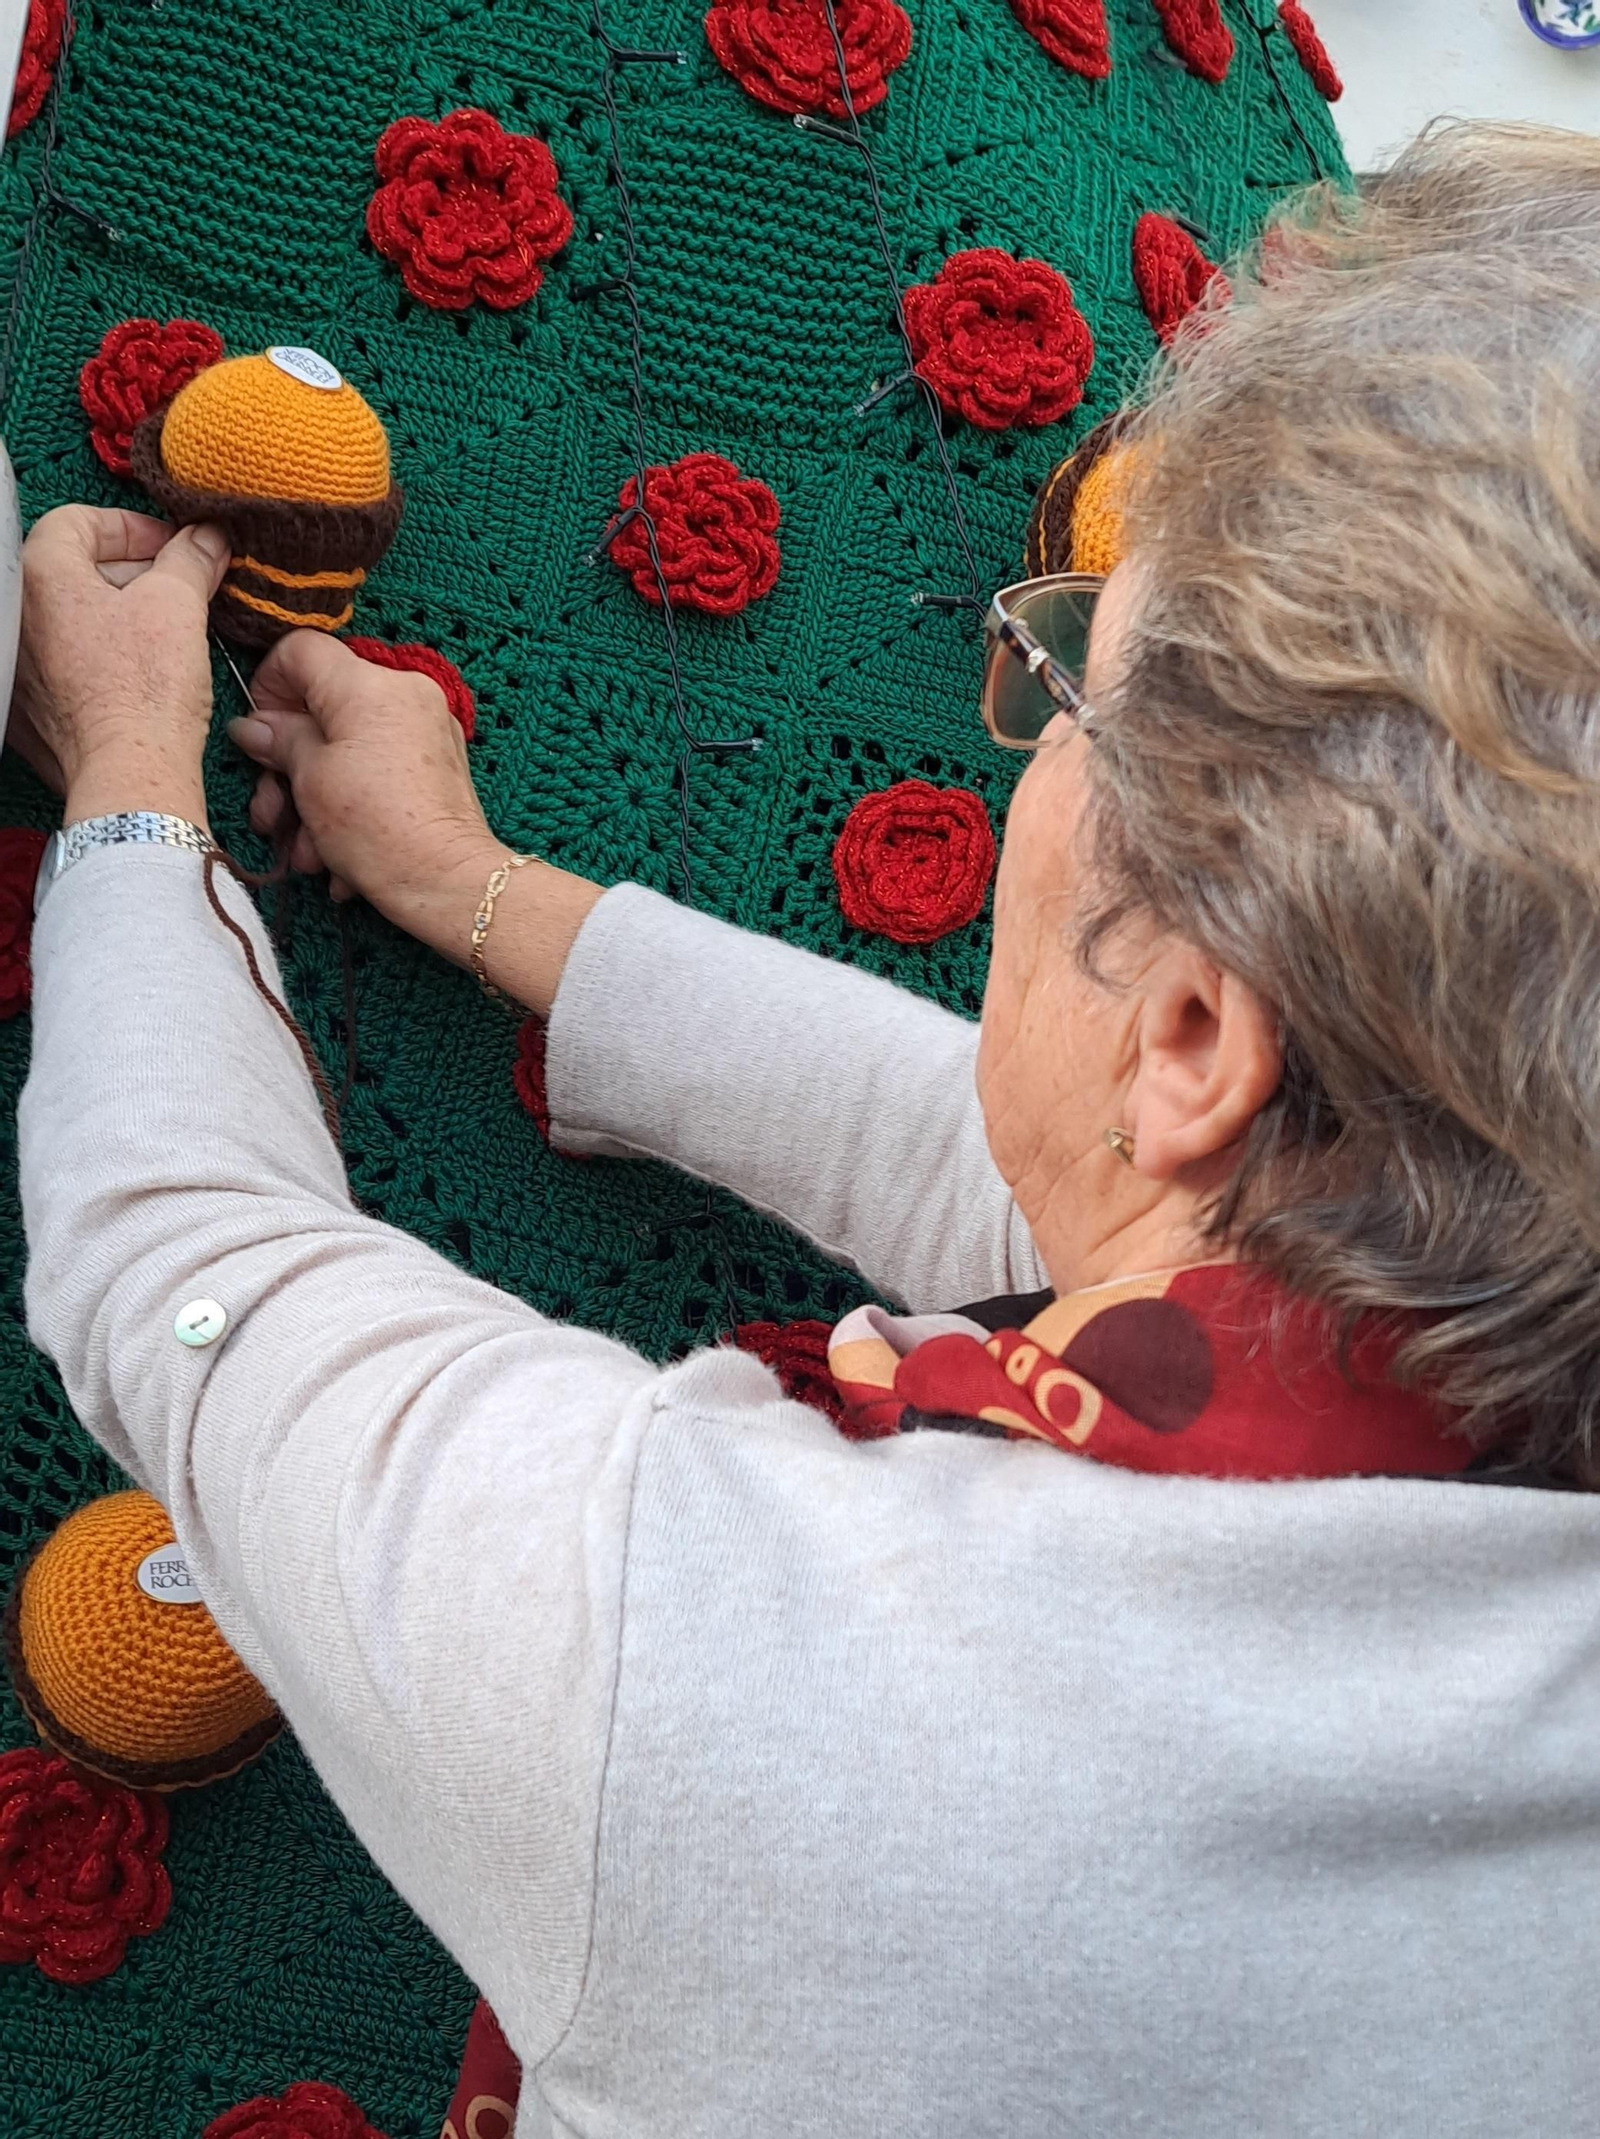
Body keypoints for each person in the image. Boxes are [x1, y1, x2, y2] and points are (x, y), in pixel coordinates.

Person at [12, 120, 1600, 2135]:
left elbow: (185, 1257)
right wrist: (479, 890)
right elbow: (1087, 1193)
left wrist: (125, 757)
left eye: (1067, 688)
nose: (1024, 744)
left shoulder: (751, 1673)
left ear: (1198, 1023)